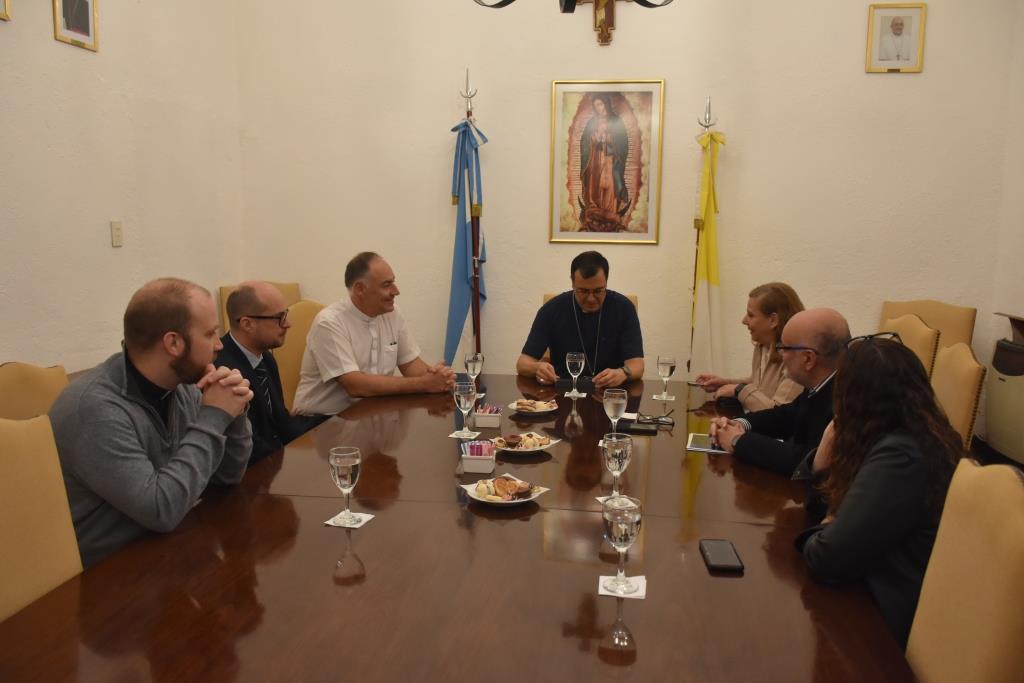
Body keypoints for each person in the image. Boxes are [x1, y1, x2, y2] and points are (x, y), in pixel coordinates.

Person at [48, 278, 254, 568]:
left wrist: (233, 413)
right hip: (107, 578)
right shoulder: (94, 410)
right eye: (210, 334)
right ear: (173, 343)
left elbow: (226, 476)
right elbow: (161, 509)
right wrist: (214, 416)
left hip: (167, 552)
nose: (219, 345)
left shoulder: (181, 386)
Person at [795, 337, 963, 648]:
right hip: (877, 593)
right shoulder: (908, 435)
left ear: (855, 399)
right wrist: (822, 460)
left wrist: (829, 526)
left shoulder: (901, 457)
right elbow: (825, 510)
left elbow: (828, 558)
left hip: (882, 622)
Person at [292, 252, 455, 415]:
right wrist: (424, 384)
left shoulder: (392, 313)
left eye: (394, 282)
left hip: (368, 415)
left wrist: (440, 379)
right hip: (320, 422)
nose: (396, 291)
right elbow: (355, 385)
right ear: (360, 289)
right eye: (386, 285)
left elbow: (411, 364)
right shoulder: (329, 323)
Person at [709, 308, 849, 475]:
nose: (780, 353)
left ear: (808, 359)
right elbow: (786, 416)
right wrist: (739, 424)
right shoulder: (824, 384)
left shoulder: (846, 400)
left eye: (784, 347)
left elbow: (806, 458)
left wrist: (738, 440)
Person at [216, 281, 326, 462]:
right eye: (279, 317)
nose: (288, 324)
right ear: (247, 323)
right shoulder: (224, 372)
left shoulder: (265, 357)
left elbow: (280, 420)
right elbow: (248, 446)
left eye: (286, 315)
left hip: (274, 465)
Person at [516, 250, 644, 390]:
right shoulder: (551, 309)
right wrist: (537, 367)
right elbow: (522, 363)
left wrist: (623, 373)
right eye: (583, 291)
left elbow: (637, 365)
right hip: (562, 392)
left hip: (610, 394)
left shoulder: (624, 308)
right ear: (572, 283)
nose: (591, 298)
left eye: (598, 291)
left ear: (606, 282)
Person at [696, 282, 805, 412]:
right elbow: (759, 384)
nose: (744, 320)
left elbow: (778, 412)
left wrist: (738, 390)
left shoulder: (797, 358)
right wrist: (725, 382)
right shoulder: (762, 346)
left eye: (751, 315)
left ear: (773, 320)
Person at [579, 94, 630, 232]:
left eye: (601, 104)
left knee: (610, 183)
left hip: (611, 159)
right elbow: (584, 142)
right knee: (595, 182)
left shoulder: (617, 121)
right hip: (595, 158)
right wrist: (592, 140)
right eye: (596, 106)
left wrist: (610, 140)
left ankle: (610, 210)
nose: (599, 108)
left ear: (606, 103)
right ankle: (594, 208)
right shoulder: (592, 122)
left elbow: (623, 144)